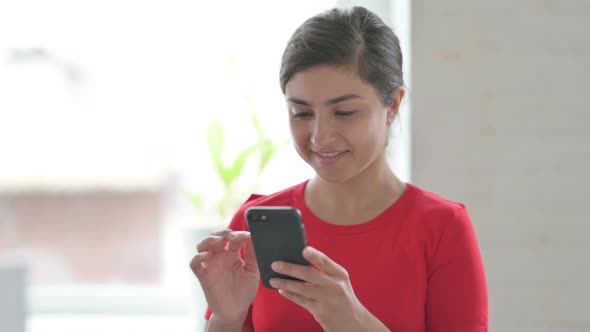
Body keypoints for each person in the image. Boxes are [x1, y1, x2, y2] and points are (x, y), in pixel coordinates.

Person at [190, 6, 488, 332]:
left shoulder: (441, 229)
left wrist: (354, 322)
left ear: (394, 105)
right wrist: (226, 319)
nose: (320, 136)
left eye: (344, 112)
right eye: (301, 113)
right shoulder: (253, 224)